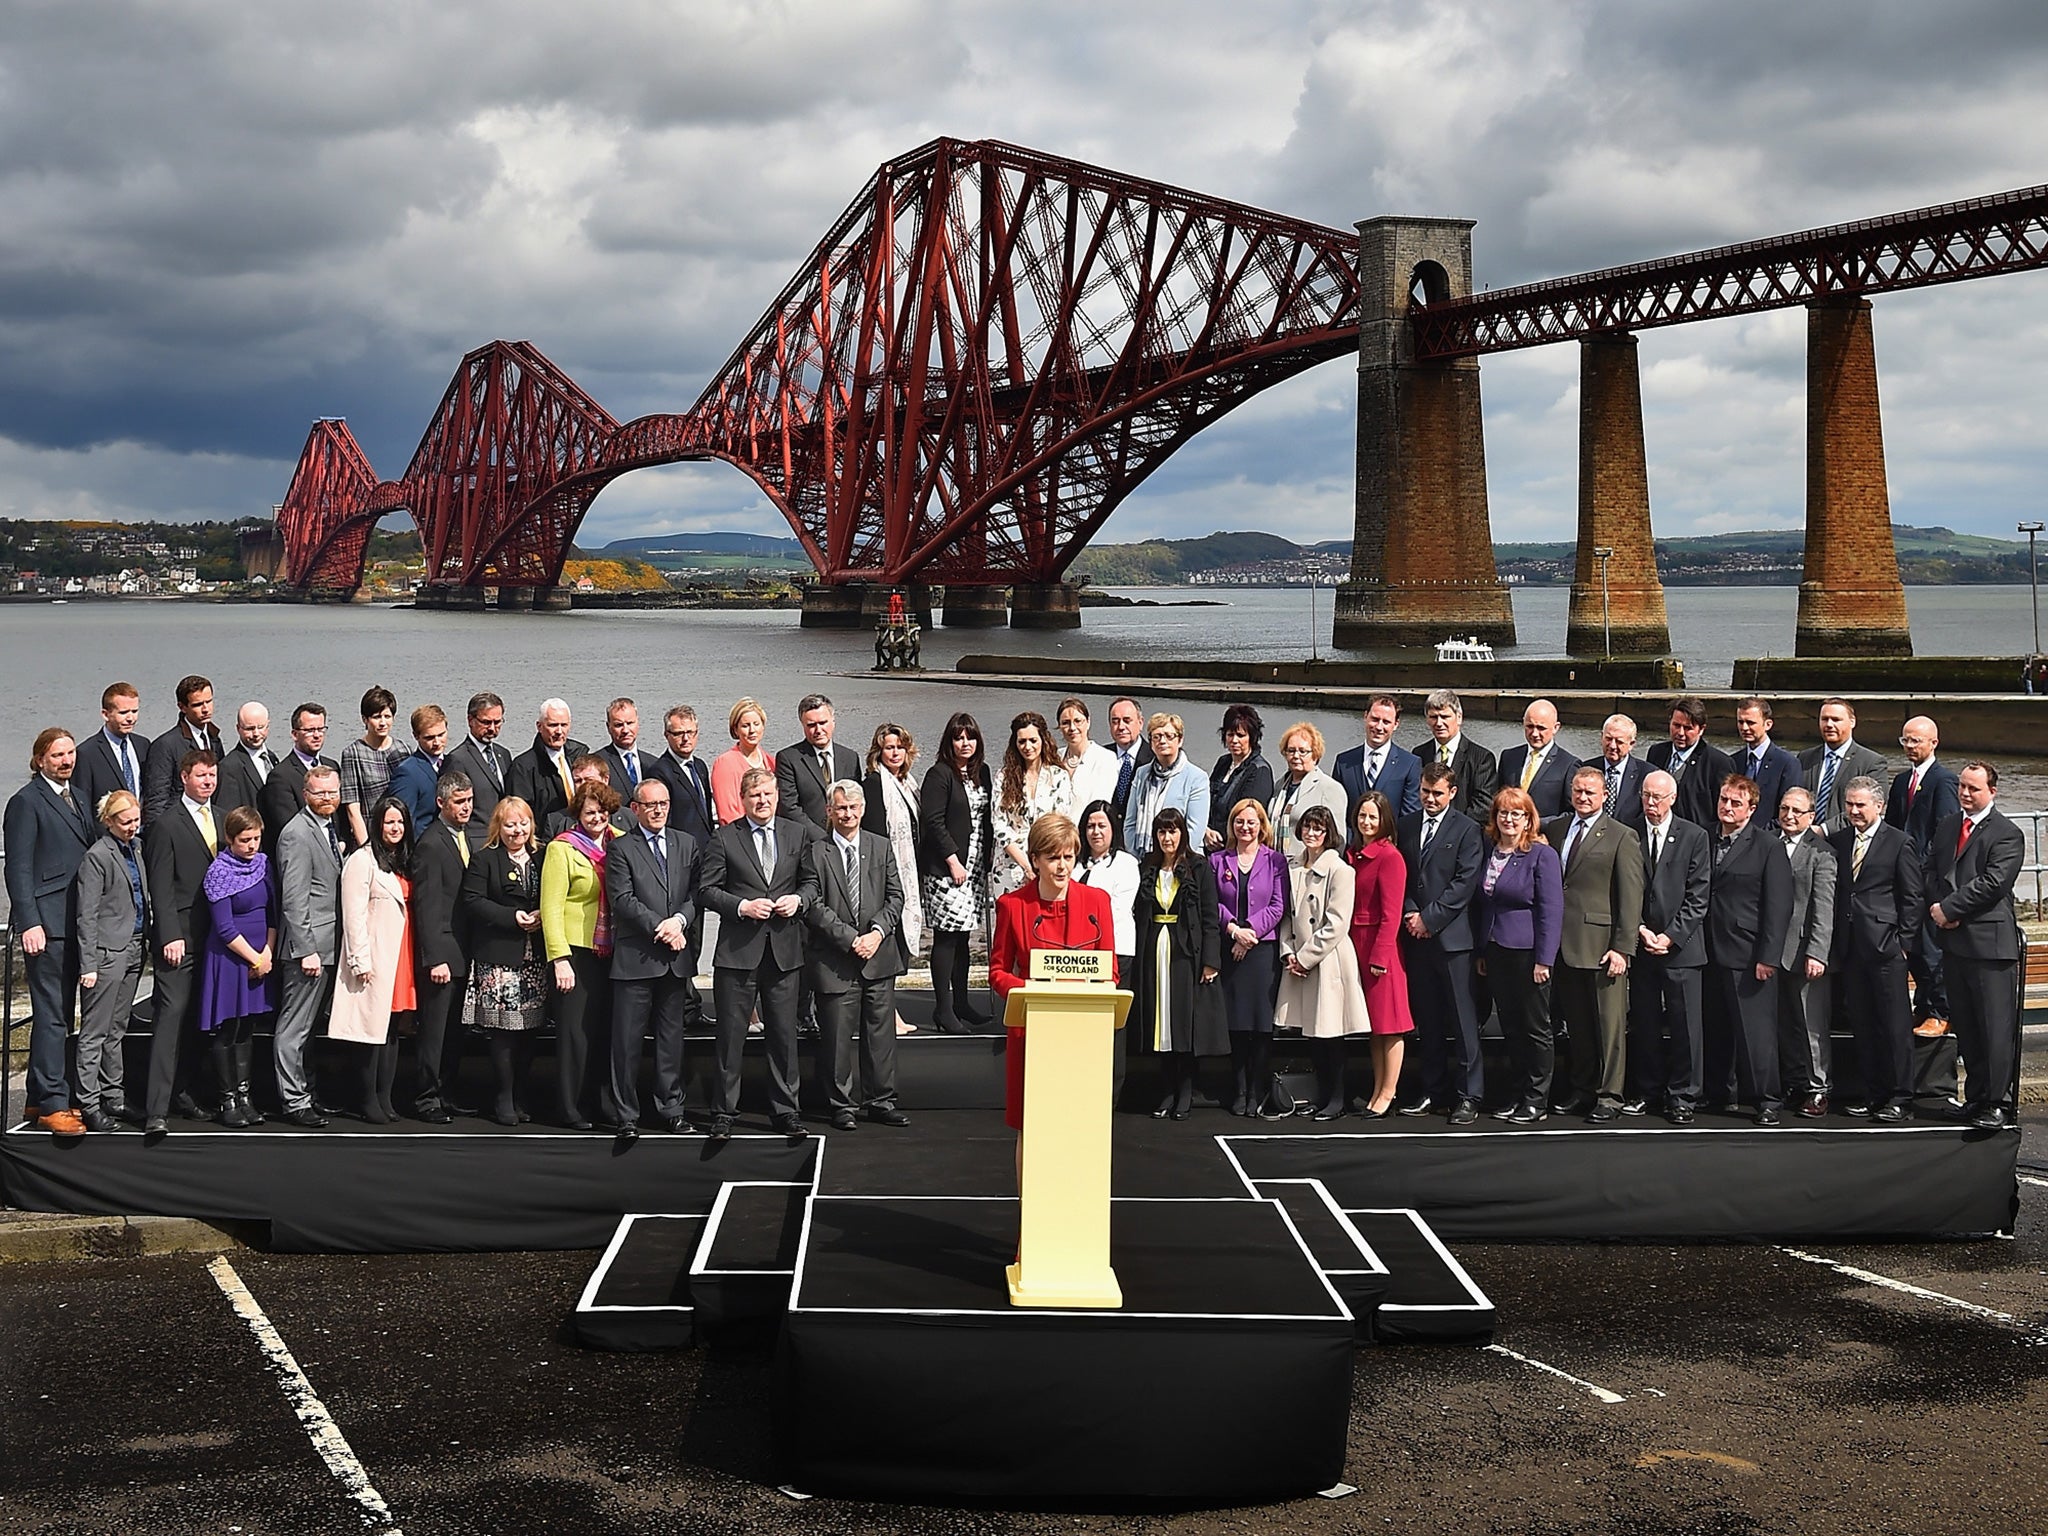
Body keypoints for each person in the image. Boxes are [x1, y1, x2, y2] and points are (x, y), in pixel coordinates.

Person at [989, 815, 1116, 1186]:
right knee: (1031, 1129)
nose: (1062, 866)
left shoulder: (1097, 902)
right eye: (1053, 858)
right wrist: (1032, 991)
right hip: (1032, 1033)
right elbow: (997, 971)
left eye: (1069, 857)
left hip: (1082, 1035)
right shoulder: (1013, 906)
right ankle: (1031, 1228)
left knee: (1079, 1128)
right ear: (1036, 859)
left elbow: (1110, 974)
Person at [702, 768, 816, 1140]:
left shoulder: (795, 833)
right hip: (738, 954)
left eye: (767, 795)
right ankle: (724, 1113)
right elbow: (707, 890)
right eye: (755, 797)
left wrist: (798, 900)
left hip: (784, 951)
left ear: (776, 795)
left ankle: (786, 1111)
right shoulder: (723, 838)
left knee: (783, 1037)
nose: (763, 801)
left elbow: (812, 883)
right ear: (744, 800)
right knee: (731, 1037)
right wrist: (741, 907)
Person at [799, 780, 910, 1130]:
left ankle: (881, 1101)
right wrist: (850, 940)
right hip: (836, 961)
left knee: (880, 1038)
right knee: (836, 1039)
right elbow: (813, 905)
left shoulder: (881, 846)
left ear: (862, 810)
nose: (847, 814)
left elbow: (896, 897)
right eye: (840, 808)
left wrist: (876, 933)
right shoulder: (815, 852)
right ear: (829, 812)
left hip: (878, 957)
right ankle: (841, 1105)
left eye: (853, 807)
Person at [1927, 762, 2026, 1130]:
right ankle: (1976, 1096)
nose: (1966, 795)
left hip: (1989, 946)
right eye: (1962, 788)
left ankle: (1997, 1101)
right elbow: (1931, 871)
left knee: (1993, 1028)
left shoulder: (2007, 833)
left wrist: (1950, 909)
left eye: (1974, 789)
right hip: (1954, 944)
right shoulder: (1949, 825)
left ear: (1992, 792)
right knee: (1967, 1026)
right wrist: (1937, 909)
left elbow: (1993, 883)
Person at [4, 728, 94, 1135]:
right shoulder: (25, 802)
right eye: (57, 755)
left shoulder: (76, 797)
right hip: (48, 925)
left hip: (76, 919)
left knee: (61, 1013)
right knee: (52, 1014)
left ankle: (39, 1096)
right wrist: (29, 922)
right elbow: (17, 867)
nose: (66, 760)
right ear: (39, 758)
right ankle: (56, 1103)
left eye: (70, 753)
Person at [604, 777, 703, 1138]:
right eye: (650, 805)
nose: (659, 809)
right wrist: (658, 926)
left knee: (670, 1040)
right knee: (627, 1042)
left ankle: (672, 1110)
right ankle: (626, 1115)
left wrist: (679, 922)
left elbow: (696, 891)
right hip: (637, 957)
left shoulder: (686, 843)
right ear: (636, 809)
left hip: (675, 957)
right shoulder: (621, 848)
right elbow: (622, 898)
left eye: (663, 803)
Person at [1544, 765, 1643, 1124]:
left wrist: (1623, 947)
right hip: (1564, 944)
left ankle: (1610, 1095)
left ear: (1604, 796)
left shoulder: (1621, 836)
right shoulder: (1555, 829)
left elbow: (1631, 897)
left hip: (1603, 946)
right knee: (1579, 1024)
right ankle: (1582, 1088)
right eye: (1578, 790)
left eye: (1590, 792)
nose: (1583, 797)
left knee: (1609, 1025)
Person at [1395, 762, 1486, 1124]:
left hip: (1453, 942)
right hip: (1416, 939)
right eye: (1425, 791)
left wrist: (1429, 920)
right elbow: (1402, 876)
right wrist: (1411, 914)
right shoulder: (1407, 825)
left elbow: (1465, 884)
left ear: (1452, 793)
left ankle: (1470, 1095)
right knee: (1427, 1021)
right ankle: (1433, 1091)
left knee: (1463, 1024)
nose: (1430, 799)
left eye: (1437, 793)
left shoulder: (1467, 830)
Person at [1828, 776, 1922, 1123]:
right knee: (1863, 1024)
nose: (1853, 811)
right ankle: (1874, 1093)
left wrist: (1903, 944)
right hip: (1851, 947)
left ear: (1879, 806)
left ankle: (1900, 1096)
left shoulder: (1899, 842)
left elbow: (1912, 896)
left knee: (1894, 1025)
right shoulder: (1839, 841)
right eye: (1849, 804)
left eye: (1860, 805)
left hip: (1886, 947)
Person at [1704, 774, 1794, 1125]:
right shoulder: (1704, 836)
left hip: (1748, 952)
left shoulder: (1768, 846)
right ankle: (1721, 1093)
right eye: (1724, 800)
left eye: (1735, 803)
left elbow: (1779, 905)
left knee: (1755, 1032)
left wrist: (1768, 957)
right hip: (1708, 948)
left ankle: (1767, 1098)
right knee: (1716, 1026)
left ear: (1752, 809)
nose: (1727, 807)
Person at [141, 750, 222, 1135]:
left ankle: (184, 1093)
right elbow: (159, 886)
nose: (208, 781)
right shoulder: (167, 824)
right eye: (201, 775)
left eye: (212, 775)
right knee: (171, 1018)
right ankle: (155, 1108)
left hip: (216, 938)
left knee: (197, 1021)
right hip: (180, 938)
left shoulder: (223, 819)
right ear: (185, 777)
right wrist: (168, 934)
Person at [1473, 787, 1563, 1125]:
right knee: (1510, 1026)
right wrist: (1483, 950)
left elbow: (1551, 911)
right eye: (1503, 813)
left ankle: (1536, 1100)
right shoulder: (1490, 850)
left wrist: (1545, 959)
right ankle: (1516, 1091)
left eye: (1517, 814)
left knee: (1536, 1028)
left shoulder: (1542, 856)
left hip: (1529, 956)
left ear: (1528, 819)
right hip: (1496, 951)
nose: (1509, 819)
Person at [1273, 804, 1369, 1121]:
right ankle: (1321, 1094)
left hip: (1327, 961)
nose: (1311, 833)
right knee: (1312, 1034)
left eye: (1319, 829)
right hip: (1300, 961)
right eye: (1307, 827)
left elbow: (1336, 923)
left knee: (1331, 1034)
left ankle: (1337, 1098)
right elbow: (1287, 915)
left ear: (1329, 834)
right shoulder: (1293, 869)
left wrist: (1304, 958)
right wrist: (1288, 952)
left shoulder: (1341, 871)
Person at [1628, 770, 1713, 1123]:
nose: (1651, 803)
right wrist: (1640, 929)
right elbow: (1623, 888)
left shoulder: (1694, 836)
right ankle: (1648, 1091)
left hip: (1682, 949)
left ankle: (1684, 1096)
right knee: (1645, 1022)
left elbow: (1698, 895)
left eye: (1657, 797)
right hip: (1641, 944)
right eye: (1646, 796)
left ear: (1672, 798)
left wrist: (1671, 936)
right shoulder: (1628, 831)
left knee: (1685, 1026)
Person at [1132, 805, 1225, 1119]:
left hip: (1185, 952)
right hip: (1154, 949)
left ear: (1183, 834)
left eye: (1172, 831)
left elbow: (1210, 917)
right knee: (1161, 1024)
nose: (1166, 837)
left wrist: (1211, 961)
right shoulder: (1148, 866)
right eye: (1161, 831)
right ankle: (1166, 1091)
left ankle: (1185, 1093)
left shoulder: (1199, 866)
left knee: (1183, 1021)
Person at [540, 778, 622, 1130]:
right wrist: (559, 959)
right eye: (589, 812)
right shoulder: (562, 849)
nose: (597, 818)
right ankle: (570, 1107)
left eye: (602, 811)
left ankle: (600, 1102)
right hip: (575, 952)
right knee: (575, 1033)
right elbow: (551, 907)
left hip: (612, 952)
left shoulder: (620, 842)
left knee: (604, 1030)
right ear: (578, 813)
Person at [461, 796, 547, 1125]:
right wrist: (513, 916)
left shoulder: (542, 857)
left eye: (523, 823)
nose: (517, 830)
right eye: (510, 824)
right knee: (504, 1033)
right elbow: (473, 901)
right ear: (499, 826)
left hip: (534, 959)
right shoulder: (485, 859)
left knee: (530, 1031)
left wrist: (541, 914)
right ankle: (503, 1095)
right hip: (499, 959)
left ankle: (521, 1093)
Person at [331, 796, 417, 1123]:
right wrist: (360, 961)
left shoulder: (403, 859)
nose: (395, 828)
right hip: (374, 958)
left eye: (400, 822)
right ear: (377, 824)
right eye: (389, 822)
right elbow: (352, 916)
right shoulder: (361, 861)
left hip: (402, 954)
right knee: (369, 1032)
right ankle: (366, 1100)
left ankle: (385, 1097)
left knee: (392, 1029)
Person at [70, 789, 150, 1132]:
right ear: (109, 821)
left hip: (134, 946)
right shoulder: (97, 857)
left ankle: (113, 1095)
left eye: (135, 819)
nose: (133, 826)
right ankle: (89, 1102)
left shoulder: (136, 847)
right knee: (95, 1031)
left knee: (118, 1029)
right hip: (107, 952)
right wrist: (87, 964)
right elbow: (85, 915)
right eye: (125, 821)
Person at [194, 806, 278, 1127]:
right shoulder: (218, 872)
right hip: (231, 958)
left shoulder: (263, 864)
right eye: (245, 840)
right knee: (228, 1028)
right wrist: (254, 958)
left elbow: (271, 913)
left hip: (261, 955)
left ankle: (245, 1095)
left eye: (256, 838)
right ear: (229, 839)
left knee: (247, 1027)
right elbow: (225, 927)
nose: (252, 845)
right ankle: (227, 1099)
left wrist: (267, 953)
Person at [274, 764, 345, 1129]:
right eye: (320, 793)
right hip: (309, 950)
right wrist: (306, 950)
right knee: (294, 1028)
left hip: (331, 946)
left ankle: (310, 1092)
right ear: (306, 795)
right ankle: (293, 1100)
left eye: (333, 792)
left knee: (312, 1028)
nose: (327, 798)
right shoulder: (296, 834)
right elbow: (294, 898)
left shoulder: (330, 827)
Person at [919, 711, 994, 1035]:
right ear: (949, 742)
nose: (965, 743)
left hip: (974, 868)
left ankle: (962, 1003)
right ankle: (943, 1009)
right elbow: (932, 821)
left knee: (964, 937)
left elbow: (987, 819)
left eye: (970, 737)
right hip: (947, 871)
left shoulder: (983, 773)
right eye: (958, 737)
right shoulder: (939, 774)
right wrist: (953, 861)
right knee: (947, 938)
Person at [1211, 797, 1287, 1115]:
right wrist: (1234, 930)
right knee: (1237, 1027)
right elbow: (1212, 903)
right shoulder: (1217, 860)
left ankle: (1258, 1091)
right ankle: (1239, 1091)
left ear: (1261, 826)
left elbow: (1278, 905)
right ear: (1232, 825)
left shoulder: (1275, 861)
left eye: (1251, 822)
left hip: (1261, 952)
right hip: (1231, 950)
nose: (1245, 827)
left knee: (1260, 1028)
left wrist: (1249, 932)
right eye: (1240, 822)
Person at [1886, 715, 1960, 1040]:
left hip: (1926, 879)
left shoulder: (1944, 780)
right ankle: (1924, 1004)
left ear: (1933, 742)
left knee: (1931, 947)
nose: (1910, 746)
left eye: (1916, 740)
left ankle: (1940, 1011)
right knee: (1911, 945)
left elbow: (1944, 830)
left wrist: (1924, 871)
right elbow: (1892, 826)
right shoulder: (1902, 781)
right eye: (1905, 740)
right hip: (1901, 876)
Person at [409, 770, 476, 1123]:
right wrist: (434, 958)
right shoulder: (431, 844)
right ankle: (426, 1098)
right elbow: (428, 905)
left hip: (462, 952)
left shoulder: (464, 837)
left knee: (454, 1030)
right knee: (434, 1030)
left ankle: (447, 1091)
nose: (466, 807)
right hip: (442, 955)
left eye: (469, 801)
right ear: (441, 803)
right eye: (458, 802)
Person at [1344, 791, 1414, 1117]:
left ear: (1384, 820)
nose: (1367, 822)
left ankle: (1389, 1093)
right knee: (1373, 1026)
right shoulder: (1353, 854)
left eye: (1373, 817)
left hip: (1379, 947)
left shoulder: (1390, 857)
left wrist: (1380, 956)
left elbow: (1392, 913)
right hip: (1354, 945)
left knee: (1390, 1025)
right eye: (1362, 816)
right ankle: (1376, 1089)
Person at [1773, 787, 1838, 1119]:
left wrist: (1818, 953)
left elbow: (1823, 909)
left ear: (1811, 816)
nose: (1789, 815)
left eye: (1797, 811)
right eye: (1785, 808)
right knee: (1783, 1023)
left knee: (1811, 1025)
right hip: (1773, 953)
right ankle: (1793, 1082)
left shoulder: (1821, 853)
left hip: (1804, 952)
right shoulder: (1770, 844)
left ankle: (1818, 1088)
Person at [1074, 798, 1141, 1103]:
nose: (1096, 832)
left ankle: (1109, 1095)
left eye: (1102, 825)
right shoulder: (1073, 864)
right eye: (1090, 826)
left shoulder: (1126, 864)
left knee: (1112, 1026)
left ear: (1113, 828)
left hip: (1115, 952)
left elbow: (1113, 909)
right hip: (1076, 956)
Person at [862, 723, 924, 1033]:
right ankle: (889, 1015)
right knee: (886, 944)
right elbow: (873, 833)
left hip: (908, 872)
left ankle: (888, 1011)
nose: (895, 752)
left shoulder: (909, 784)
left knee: (896, 945)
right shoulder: (874, 784)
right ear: (879, 752)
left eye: (899, 747)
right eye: (889, 747)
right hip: (885, 873)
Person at [993, 710, 1073, 897]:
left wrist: (1041, 865)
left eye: (1033, 740)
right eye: (1022, 741)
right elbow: (999, 825)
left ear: (1043, 740)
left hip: (1047, 865)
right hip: (1009, 866)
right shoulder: (1003, 777)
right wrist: (1026, 865)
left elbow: (1060, 823)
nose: (1027, 746)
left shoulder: (1058, 776)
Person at [1123, 713, 1210, 858]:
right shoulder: (1141, 774)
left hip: (1182, 860)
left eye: (1169, 736)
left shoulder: (1197, 778)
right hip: (1142, 858)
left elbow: (1195, 829)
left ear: (1180, 740)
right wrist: (1134, 857)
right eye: (1156, 736)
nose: (1162, 741)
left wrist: (1170, 861)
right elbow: (1130, 822)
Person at [775, 692, 863, 834]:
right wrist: (821, 839)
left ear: (833, 722)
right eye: (811, 725)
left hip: (845, 838)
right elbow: (789, 807)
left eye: (823, 723)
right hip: (807, 842)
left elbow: (857, 801)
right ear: (803, 726)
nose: (818, 730)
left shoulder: (850, 758)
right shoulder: (788, 758)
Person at [1332, 694, 1421, 831]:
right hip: (1350, 849)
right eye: (1374, 719)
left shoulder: (1409, 764)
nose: (1379, 727)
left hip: (1389, 848)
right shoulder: (1343, 762)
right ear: (1365, 716)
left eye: (1386, 722)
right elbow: (1337, 813)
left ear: (1396, 724)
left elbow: (1409, 818)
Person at [142, 674, 225, 823]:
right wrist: (158, 837)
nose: (206, 709)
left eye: (209, 701)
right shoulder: (165, 745)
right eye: (198, 704)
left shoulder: (214, 739)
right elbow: (157, 800)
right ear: (182, 707)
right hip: (179, 825)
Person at [1800, 698, 1887, 837]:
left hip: (1846, 840)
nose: (1829, 724)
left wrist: (1824, 829)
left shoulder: (1872, 762)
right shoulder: (1805, 758)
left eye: (1836, 719)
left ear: (1852, 722)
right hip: (1805, 840)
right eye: (1824, 719)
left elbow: (1870, 807)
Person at [1267, 721, 1349, 866]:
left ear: (1315, 754)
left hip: (1308, 869)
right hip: (1276, 866)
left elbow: (1338, 841)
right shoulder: (1280, 785)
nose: (1296, 756)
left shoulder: (1329, 788)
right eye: (1291, 750)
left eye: (1302, 751)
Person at [1647, 697, 1736, 830]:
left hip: (1695, 839)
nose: (1680, 733)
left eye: (1688, 728)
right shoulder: (1656, 753)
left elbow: (1723, 810)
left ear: (1701, 729)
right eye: (1676, 725)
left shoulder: (1719, 763)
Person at [259, 703, 338, 850]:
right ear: (295, 734)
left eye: (321, 729)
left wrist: (342, 842)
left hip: (337, 851)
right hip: (305, 853)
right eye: (309, 730)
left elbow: (340, 816)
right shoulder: (280, 776)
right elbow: (288, 828)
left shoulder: (332, 767)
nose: (317, 735)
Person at [73, 682, 150, 827]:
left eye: (134, 711)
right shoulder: (87, 753)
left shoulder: (143, 745)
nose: (130, 718)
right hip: (108, 839)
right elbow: (83, 807)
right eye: (123, 713)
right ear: (105, 714)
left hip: (143, 836)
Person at [339, 686, 405, 850]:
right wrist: (367, 849)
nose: (383, 722)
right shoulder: (353, 753)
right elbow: (352, 808)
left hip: (399, 835)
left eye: (387, 716)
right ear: (365, 719)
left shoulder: (402, 750)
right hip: (370, 835)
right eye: (376, 717)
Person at [511, 697, 590, 833]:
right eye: (553, 725)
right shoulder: (524, 766)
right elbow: (520, 813)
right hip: (545, 838)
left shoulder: (581, 755)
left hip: (583, 836)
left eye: (564, 725)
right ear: (539, 726)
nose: (559, 731)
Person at [1203, 704, 1275, 854]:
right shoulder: (1223, 762)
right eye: (1230, 735)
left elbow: (1248, 817)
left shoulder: (1260, 771)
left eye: (1241, 735)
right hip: (1208, 845)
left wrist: (1221, 837)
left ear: (1252, 737)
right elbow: (1206, 800)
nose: (1234, 740)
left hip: (1236, 851)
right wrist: (1205, 830)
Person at [1418, 689, 1497, 822]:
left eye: (1445, 717)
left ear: (1459, 717)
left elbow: (1483, 807)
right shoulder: (1419, 754)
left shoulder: (1482, 758)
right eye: (1433, 717)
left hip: (1463, 835)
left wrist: (1450, 829)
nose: (1438, 723)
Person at [653, 704, 718, 861]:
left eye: (690, 732)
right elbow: (663, 821)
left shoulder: (700, 766)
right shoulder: (660, 771)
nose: (686, 739)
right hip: (680, 855)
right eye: (679, 733)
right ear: (666, 735)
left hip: (706, 852)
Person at [1496, 700, 1577, 820]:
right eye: (1530, 726)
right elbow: (1497, 800)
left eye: (1541, 728)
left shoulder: (1568, 764)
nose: (1534, 733)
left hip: (1544, 836)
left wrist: (1535, 824)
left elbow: (1571, 813)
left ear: (1556, 728)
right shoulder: (1509, 757)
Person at [446, 692, 514, 825]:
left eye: (497, 722)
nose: (492, 728)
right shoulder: (457, 759)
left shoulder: (504, 754)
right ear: (470, 720)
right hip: (476, 836)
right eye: (486, 722)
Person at [1731, 697, 1800, 825]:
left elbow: (1788, 811)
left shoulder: (1787, 763)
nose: (1744, 728)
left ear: (1768, 724)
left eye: (1750, 723)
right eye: (1741, 722)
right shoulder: (1733, 761)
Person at [711, 696, 774, 826]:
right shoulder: (725, 763)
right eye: (745, 726)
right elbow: (728, 814)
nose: (752, 730)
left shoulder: (771, 761)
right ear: (736, 730)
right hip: (741, 836)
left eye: (756, 724)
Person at [388, 704, 451, 832]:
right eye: (429, 738)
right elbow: (404, 820)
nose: (437, 742)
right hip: (422, 846)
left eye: (441, 735)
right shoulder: (407, 772)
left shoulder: (453, 762)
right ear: (416, 736)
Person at [1055, 697, 1118, 811]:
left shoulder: (1105, 759)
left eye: (1077, 721)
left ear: (1088, 722)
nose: (1072, 728)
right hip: (1055, 827)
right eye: (1066, 723)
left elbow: (1099, 804)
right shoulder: (1054, 758)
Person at [213, 703, 275, 816]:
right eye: (249, 728)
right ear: (238, 729)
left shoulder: (272, 758)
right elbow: (227, 814)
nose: (256, 733)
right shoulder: (229, 767)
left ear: (268, 726)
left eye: (260, 727)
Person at [1103, 696, 1152, 827]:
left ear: (1140, 723)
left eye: (1127, 720)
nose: (1121, 727)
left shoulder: (1154, 758)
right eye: (1115, 721)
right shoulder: (1100, 756)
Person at [1594, 714, 1649, 829]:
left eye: (1619, 741)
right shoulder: (1587, 769)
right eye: (1608, 739)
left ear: (1631, 744)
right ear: (1601, 737)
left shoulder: (1646, 774)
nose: (1612, 746)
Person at [598, 697, 659, 800]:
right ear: (608, 727)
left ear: (637, 723)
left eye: (630, 723)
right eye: (619, 725)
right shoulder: (598, 762)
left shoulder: (654, 763)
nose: (625, 730)